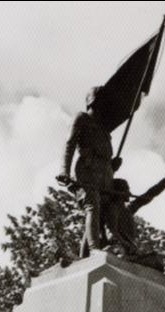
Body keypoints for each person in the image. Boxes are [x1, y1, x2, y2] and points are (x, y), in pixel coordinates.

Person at [57, 86, 122, 256]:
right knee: (92, 204)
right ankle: (94, 250)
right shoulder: (82, 118)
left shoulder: (105, 130)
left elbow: (105, 152)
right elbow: (70, 144)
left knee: (102, 212)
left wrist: (112, 164)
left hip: (105, 174)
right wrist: (64, 170)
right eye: (104, 103)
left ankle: (83, 256)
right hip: (87, 170)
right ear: (95, 102)